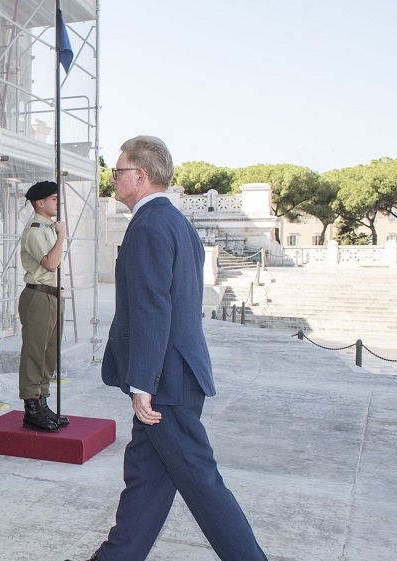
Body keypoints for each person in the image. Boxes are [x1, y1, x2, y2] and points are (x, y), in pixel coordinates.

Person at [71, 137, 267, 561]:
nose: (113, 178)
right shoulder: (177, 223)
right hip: (176, 374)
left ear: (139, 177)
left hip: (165, 382)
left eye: (118, 171)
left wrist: (143, 381)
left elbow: (152, 310)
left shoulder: (148, 226)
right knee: (147, 479)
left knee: (201, 484)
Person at [18, 180, 70, 432]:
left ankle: (42, 401)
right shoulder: (36, 230)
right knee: (34, 353)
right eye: (54, 198)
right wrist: (61, 235)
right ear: (40, 203)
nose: (58, 202)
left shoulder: (48, 227)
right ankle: (31, 408)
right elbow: (51, 263)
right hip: (38, 297)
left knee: (50, 353)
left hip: (53, 295)